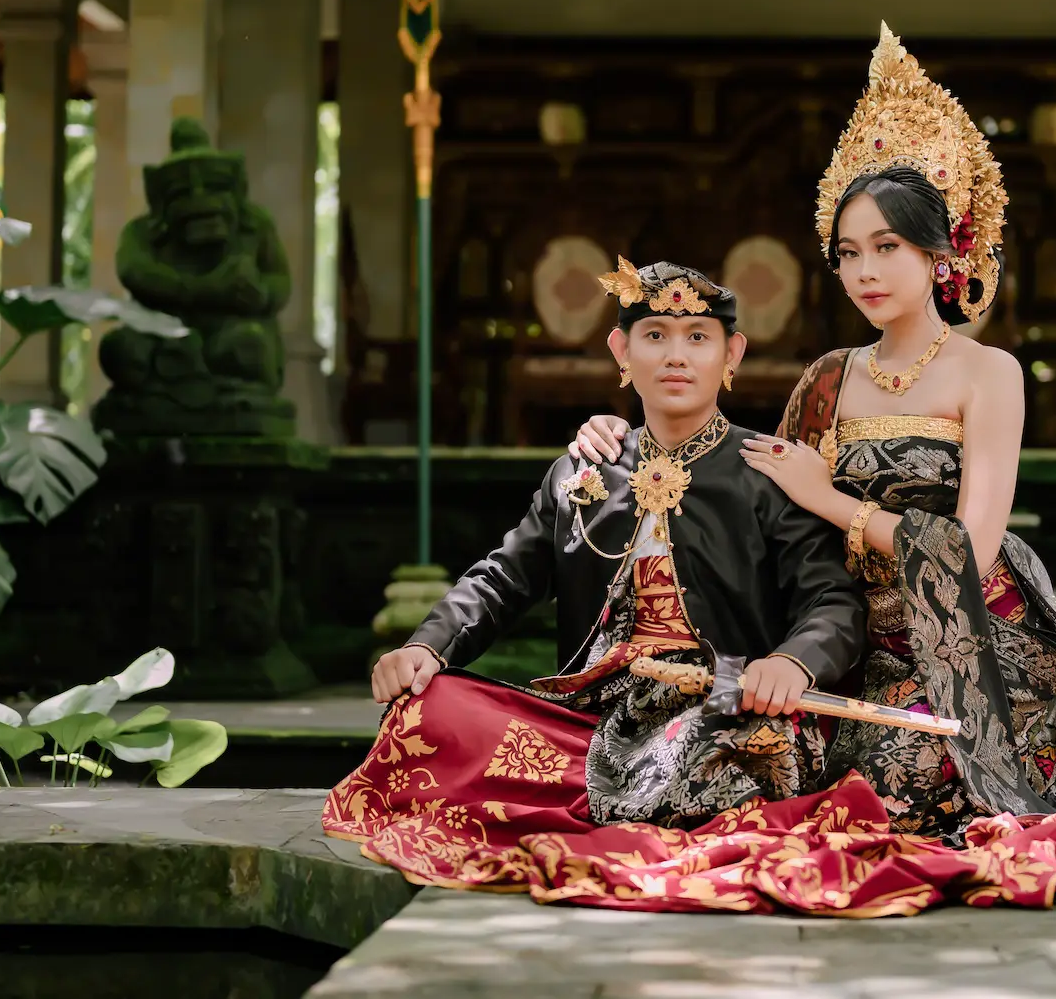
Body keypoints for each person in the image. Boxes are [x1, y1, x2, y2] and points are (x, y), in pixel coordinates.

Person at [573, 25, 1056, 869]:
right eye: (849, 253)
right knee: (734, 766)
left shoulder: (988, 372)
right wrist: (623, 442)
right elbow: (748, 506)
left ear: (940, 251)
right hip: (852, 647)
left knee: (899, 781)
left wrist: (833, 501)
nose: (866, 271)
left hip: (967, 641)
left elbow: (971, 547)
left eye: (887, 247)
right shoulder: (827, 377)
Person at [326, 260, 868, 884]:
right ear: (621, 350)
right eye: (655, 335)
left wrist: (792, 663)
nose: (676, 355)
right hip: (588, 717)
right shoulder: (584, 469)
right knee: (432, 707)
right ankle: (619, 801)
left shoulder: (768, 473)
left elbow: (833, 600)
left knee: (747, 747)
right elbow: (502, 578)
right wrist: (427, 645)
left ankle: (587, 802)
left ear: (731, 354)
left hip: (721, 704)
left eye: (698, 336)